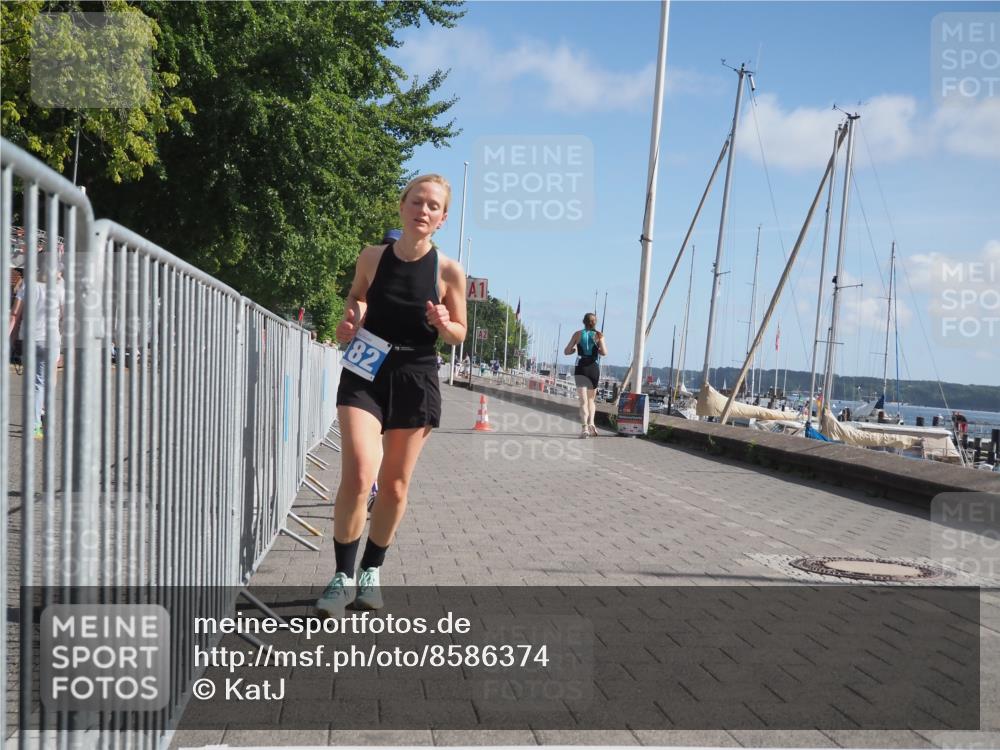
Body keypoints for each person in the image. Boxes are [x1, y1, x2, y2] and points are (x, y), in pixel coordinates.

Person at [316, 174, 467, 618]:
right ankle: (342, 577)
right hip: (367, 369)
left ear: (442, 219)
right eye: (416, 201)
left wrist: (444, 322)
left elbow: (459, 333)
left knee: (396, 487)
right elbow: (357, 299)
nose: (423, 210)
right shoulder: (372, 256)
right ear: (402, 206)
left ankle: (371, 571)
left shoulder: (448, 271)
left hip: (416, 373)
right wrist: (351, 321)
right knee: (361, 474)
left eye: (433, 206)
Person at [8, 264, 65, 439]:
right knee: (46, 379)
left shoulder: (27, 284)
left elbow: (15, 315)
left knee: (35, 381)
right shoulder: (60, 287)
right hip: (50, 338)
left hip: (29, 338)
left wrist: (9, 341)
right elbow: (65, 316)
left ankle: (36, 421)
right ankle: (40, 416)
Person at [564, 313, 607, 438]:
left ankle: (584, 429)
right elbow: (604, 352)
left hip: (581, 367)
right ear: (595, 322)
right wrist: (597, 349)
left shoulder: (577, 334)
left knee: (583, 401)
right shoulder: (599, 335)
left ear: (583, 321)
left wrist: (573, 350)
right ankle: (592, 423)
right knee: (591, 400)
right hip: (594, 367)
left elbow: (566, 351)